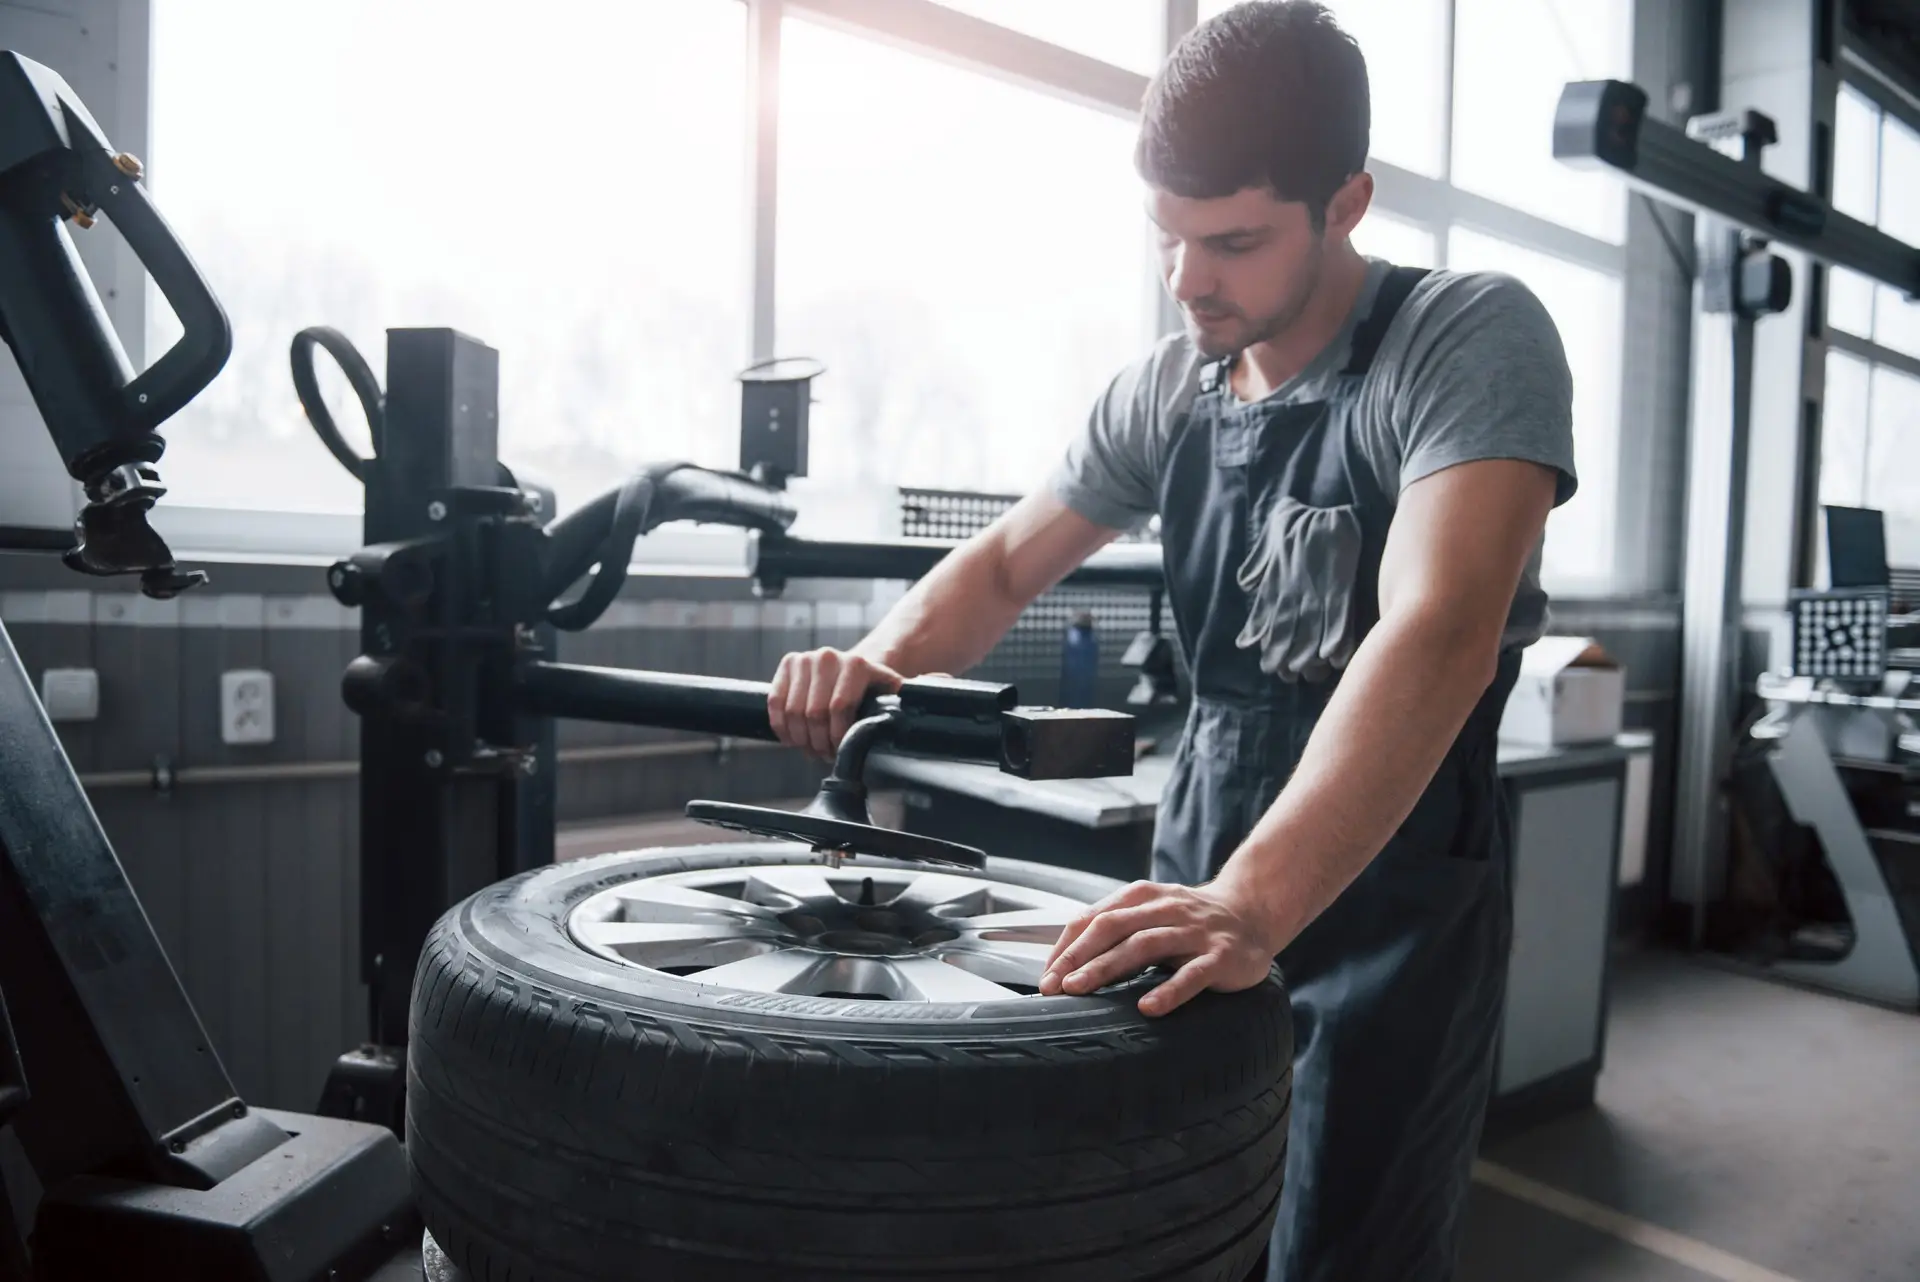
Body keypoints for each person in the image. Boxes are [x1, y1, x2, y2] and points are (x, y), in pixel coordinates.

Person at [767, 2, 1576, 1277]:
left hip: (1393, 900)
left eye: (1236, 242)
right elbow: (1001, 563)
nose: (1189, 279)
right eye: (1169, 238)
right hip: (1193, 873)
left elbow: (1438, 630)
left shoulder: (1465, 338)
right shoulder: (1166, 389)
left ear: (1347, 201)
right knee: (1172, 1232)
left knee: (1343, 1250)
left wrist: (1252, 901)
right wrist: (880, 662)